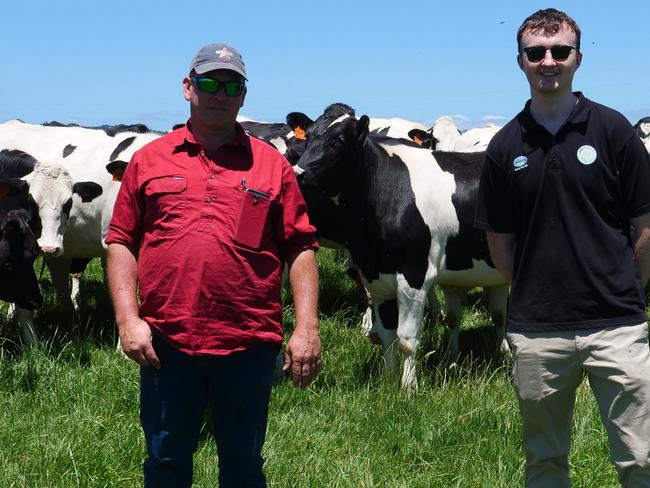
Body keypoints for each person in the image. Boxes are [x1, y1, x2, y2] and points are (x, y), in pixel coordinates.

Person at [106, 43, 321, 488]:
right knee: (165, 460)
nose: (219, 93)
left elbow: (301, 247)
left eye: (231, 84)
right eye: (208, 82)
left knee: (242, 464)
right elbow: (121, 242)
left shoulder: (271, 165)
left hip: (247, 341)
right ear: (188, 88)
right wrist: (128, 319)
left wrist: (307, 328)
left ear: (244, 95)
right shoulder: (149, 160)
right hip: (167, 340)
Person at [475, 8, 650, 488]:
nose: (548, 61)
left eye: (559, 51)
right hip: (538, 333)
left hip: (616, 324)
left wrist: (628, 285)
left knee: (642, 458)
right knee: (545, 463)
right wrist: (533, 290)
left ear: (577, 58)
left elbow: (644, 224)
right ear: (520, 61)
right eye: (536, 52)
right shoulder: (504, 145)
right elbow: (499, 242)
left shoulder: (613, 131)